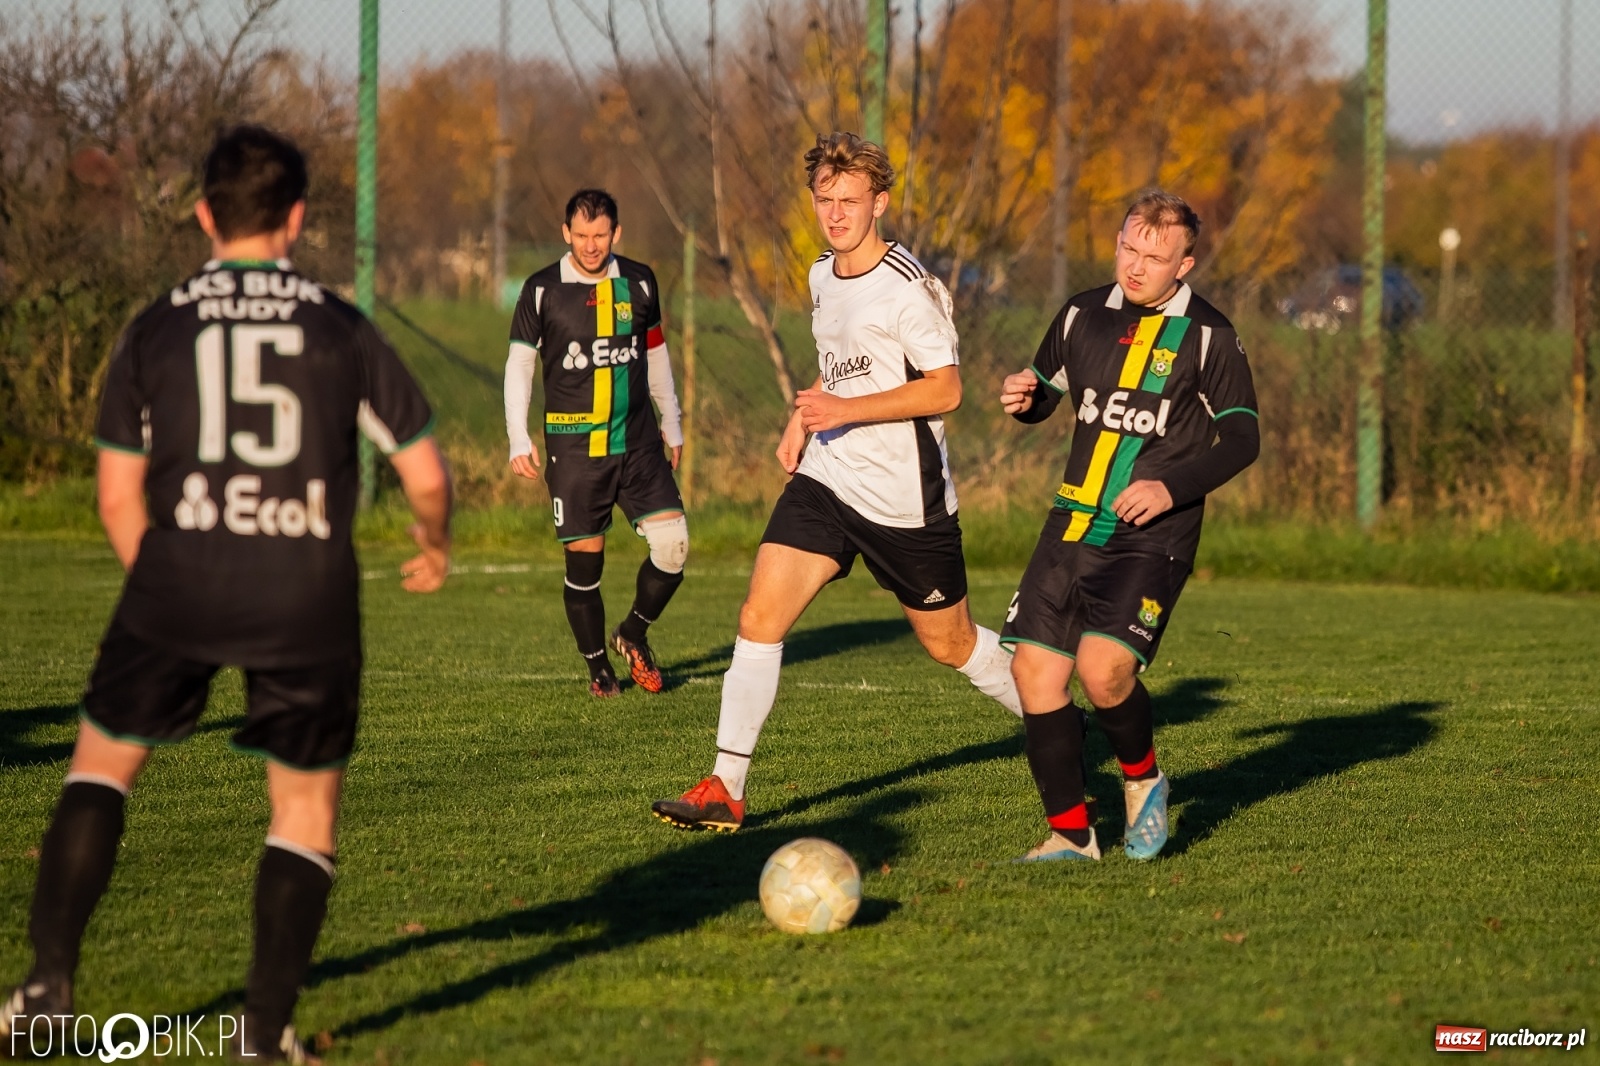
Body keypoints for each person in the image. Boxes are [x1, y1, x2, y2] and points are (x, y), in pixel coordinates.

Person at [0, 126, 452, 1063]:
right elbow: (425, 472)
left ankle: (46, 993)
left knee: (100, 767)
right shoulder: (338, 324)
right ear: (294, 219)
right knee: (303, 810)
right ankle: (262, 1033)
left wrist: (166, 583)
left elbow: (117, 495)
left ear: (204, 214)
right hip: (306, 592)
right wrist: (433, 539)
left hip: (178, 581)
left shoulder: (156, 324)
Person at [651, 132, 1021, 833]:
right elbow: (846, 362)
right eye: (825, 199)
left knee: (950, 644)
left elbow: (945, 391)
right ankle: (726, 787)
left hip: (905, 501)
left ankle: (1052, 713)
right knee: (760, 617)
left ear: (880, 202)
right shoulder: (822, 274)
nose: (836, 213)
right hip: (829, 479)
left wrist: (842, 410)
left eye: (850, 200)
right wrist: (806, 416)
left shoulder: (911, 288)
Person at [999, 190, 1259, 863]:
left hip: (1152, 535)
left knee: (1103, 671)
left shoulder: (1208, 335)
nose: (1137, 265)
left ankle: (1143, 783)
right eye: (1129, 248)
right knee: (1035, 672)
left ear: (1186, 264)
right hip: (1070, 520)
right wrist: (1025, 400)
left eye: (1155, 256)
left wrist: (1171, 487)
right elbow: (1049, 390)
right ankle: (1071, 835)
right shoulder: (1082, 313)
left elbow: (1242, 440)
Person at [504, 190, 688, 697]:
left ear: (616, 233)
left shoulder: (639, 281)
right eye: (581, 236)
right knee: (586, 565)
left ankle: (631, 634)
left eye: (600, 235)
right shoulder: (542, 289)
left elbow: (656, 356)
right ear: (566, 233)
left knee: (673, 548)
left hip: (638, 442)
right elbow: (519, 366)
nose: (591, 245)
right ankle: (598, 668)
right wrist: (518, 436)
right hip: (574, 447)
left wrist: (671, 423)